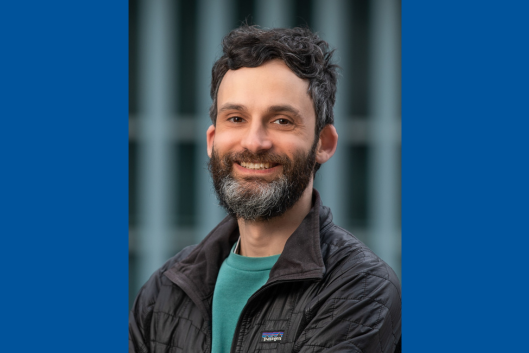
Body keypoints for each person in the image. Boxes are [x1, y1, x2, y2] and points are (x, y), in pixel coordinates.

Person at [129, 25, 401, 353]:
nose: (254, 142)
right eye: (236, 118)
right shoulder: (163, 292)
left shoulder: (359, 287)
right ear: (212, 141)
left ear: (324, 143)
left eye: (281, 121)